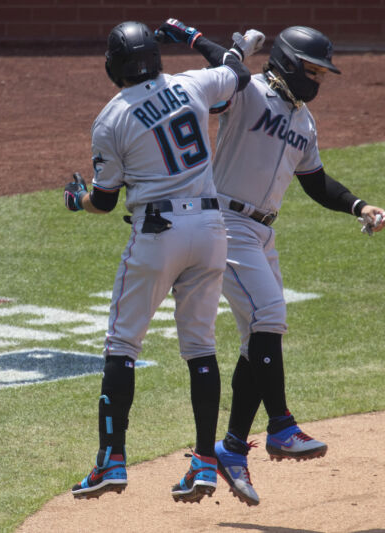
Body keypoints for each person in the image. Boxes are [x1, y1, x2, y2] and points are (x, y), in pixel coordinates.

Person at [191, 25, 385, 506]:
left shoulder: (304, 123)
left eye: (324, 74)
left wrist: (358, 206)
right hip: (225, 221)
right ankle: (280, 424)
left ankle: (233, 447)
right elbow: (225, 67)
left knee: (260, 337)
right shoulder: (248, 93)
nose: (319, 82)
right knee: (271, 317)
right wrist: (195, 37)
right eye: (314, 71)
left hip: (261, 232)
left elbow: (316, 183)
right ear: (287, 64)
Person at [64, 20, 251, 504]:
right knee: (200, 346)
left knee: (122, 344)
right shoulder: (191, 83)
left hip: (157, 233)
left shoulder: (111, 119)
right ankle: (205, 466)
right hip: (211, 231)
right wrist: (194, 37)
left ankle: (111, 460)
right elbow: (237, 70)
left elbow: (104, 201)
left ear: (113, 66)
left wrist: (76, 200)